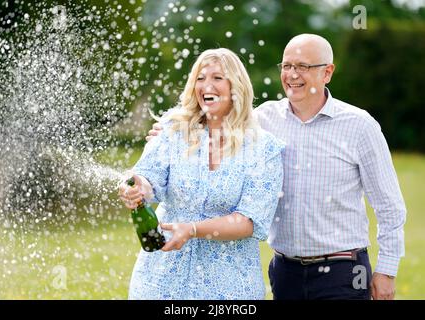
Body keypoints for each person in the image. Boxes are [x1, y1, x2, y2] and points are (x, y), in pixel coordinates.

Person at [147, 34, 406, 300]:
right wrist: (170, 132)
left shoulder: (359, 126)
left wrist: (386, 271)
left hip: (343, 271)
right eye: (287, 66)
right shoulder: (260, 121)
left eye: (302, 66)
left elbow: (389, 206)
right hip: (285, 271)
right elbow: (216, 126)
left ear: (327, 72)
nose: (292, 75)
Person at [119, 48, 285, 300]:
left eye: (218, 78)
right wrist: (137, 187)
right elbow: (147, 177)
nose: (207, 86)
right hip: (162, 280)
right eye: (200, 78)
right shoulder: (172, 129)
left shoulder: (263, 147)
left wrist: (193, 229)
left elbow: (249, 221)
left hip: (229, 285)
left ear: (235, 86)